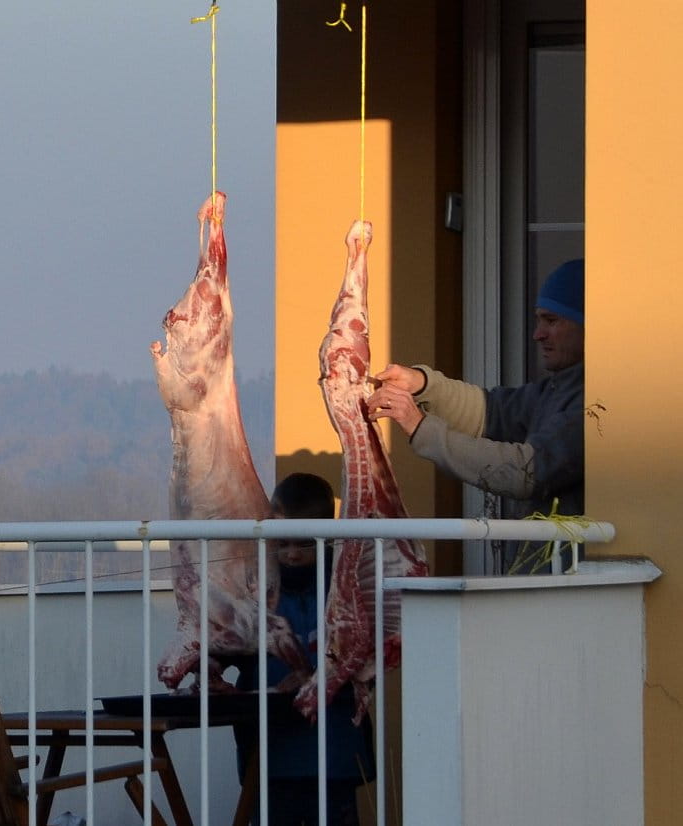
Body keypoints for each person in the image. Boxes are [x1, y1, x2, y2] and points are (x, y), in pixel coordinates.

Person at [367, 258, 585, 573]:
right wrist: (422, 384)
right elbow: (492, 410)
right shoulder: (556, 388)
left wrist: (419, 426)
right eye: (538, 320)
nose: (538, 334)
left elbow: (526, 471)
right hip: (548, 592)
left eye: (550, 321)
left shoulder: (599, 404)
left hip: (573, 598)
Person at [234, 472, 375, 826]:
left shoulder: (344, 593)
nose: (291, 554)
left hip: (334, 753)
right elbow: (236, 656)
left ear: (326, 539)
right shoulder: (254, 593)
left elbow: (363, 663)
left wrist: (316, 680)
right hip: (269, 757)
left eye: (303, 544)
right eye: (282, 545)